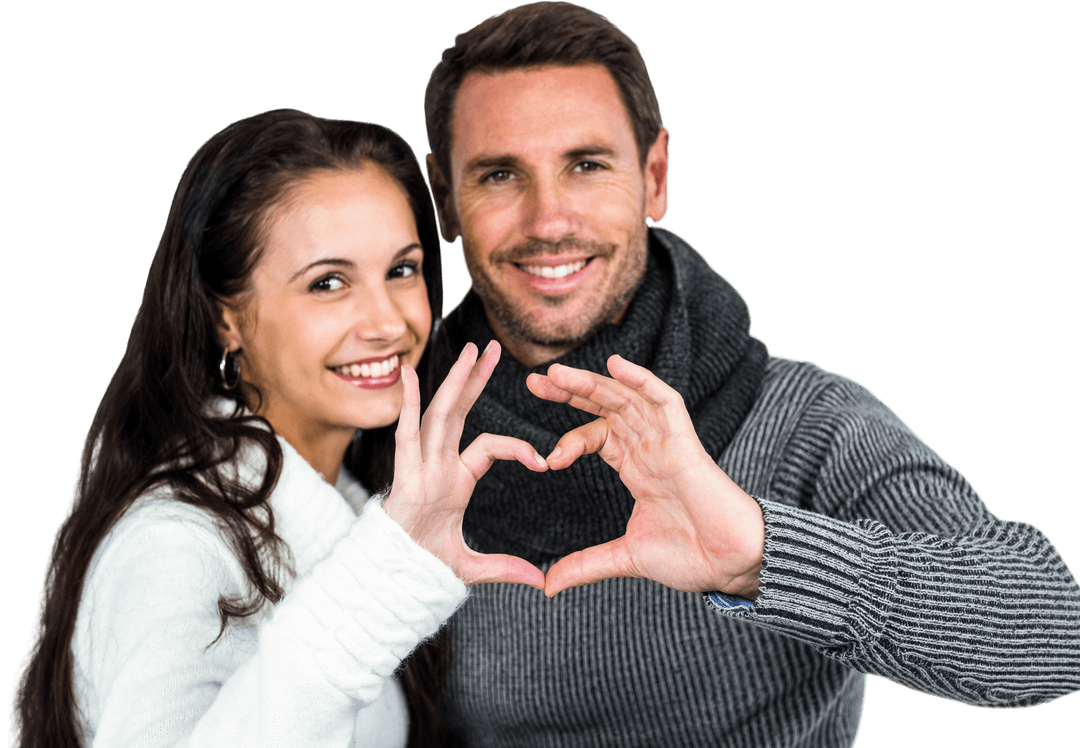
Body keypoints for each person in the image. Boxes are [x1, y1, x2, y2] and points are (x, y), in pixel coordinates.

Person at [420, 3, 1080, 745]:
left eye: (587, 165)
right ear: (445, 197)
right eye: (500, 174)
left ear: (655, 174)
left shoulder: (809, 426)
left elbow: (1052, 635)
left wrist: (760, 556)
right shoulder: (397, 448)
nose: (547, 220)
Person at [9, 109, 549, 748]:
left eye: (401, 270)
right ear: (225, 320)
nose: (387, 321)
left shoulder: (358, 504)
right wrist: (386, 583)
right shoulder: (175, 547)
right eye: (328, 282)